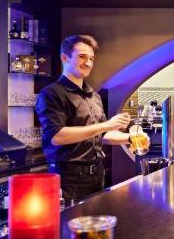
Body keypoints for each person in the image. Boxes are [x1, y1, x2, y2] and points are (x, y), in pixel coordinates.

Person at [36, 34, 131, 203]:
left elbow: (101, 136)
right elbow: (57, 137)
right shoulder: (51, 93)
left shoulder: (93, 96)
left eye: (91, 59)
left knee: (93, 226)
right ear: (64, 57)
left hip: (97, 174)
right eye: (82, 57)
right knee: (70, 227)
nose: (88, 63)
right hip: (68, 178)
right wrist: (106, 126)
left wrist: (130, 138)